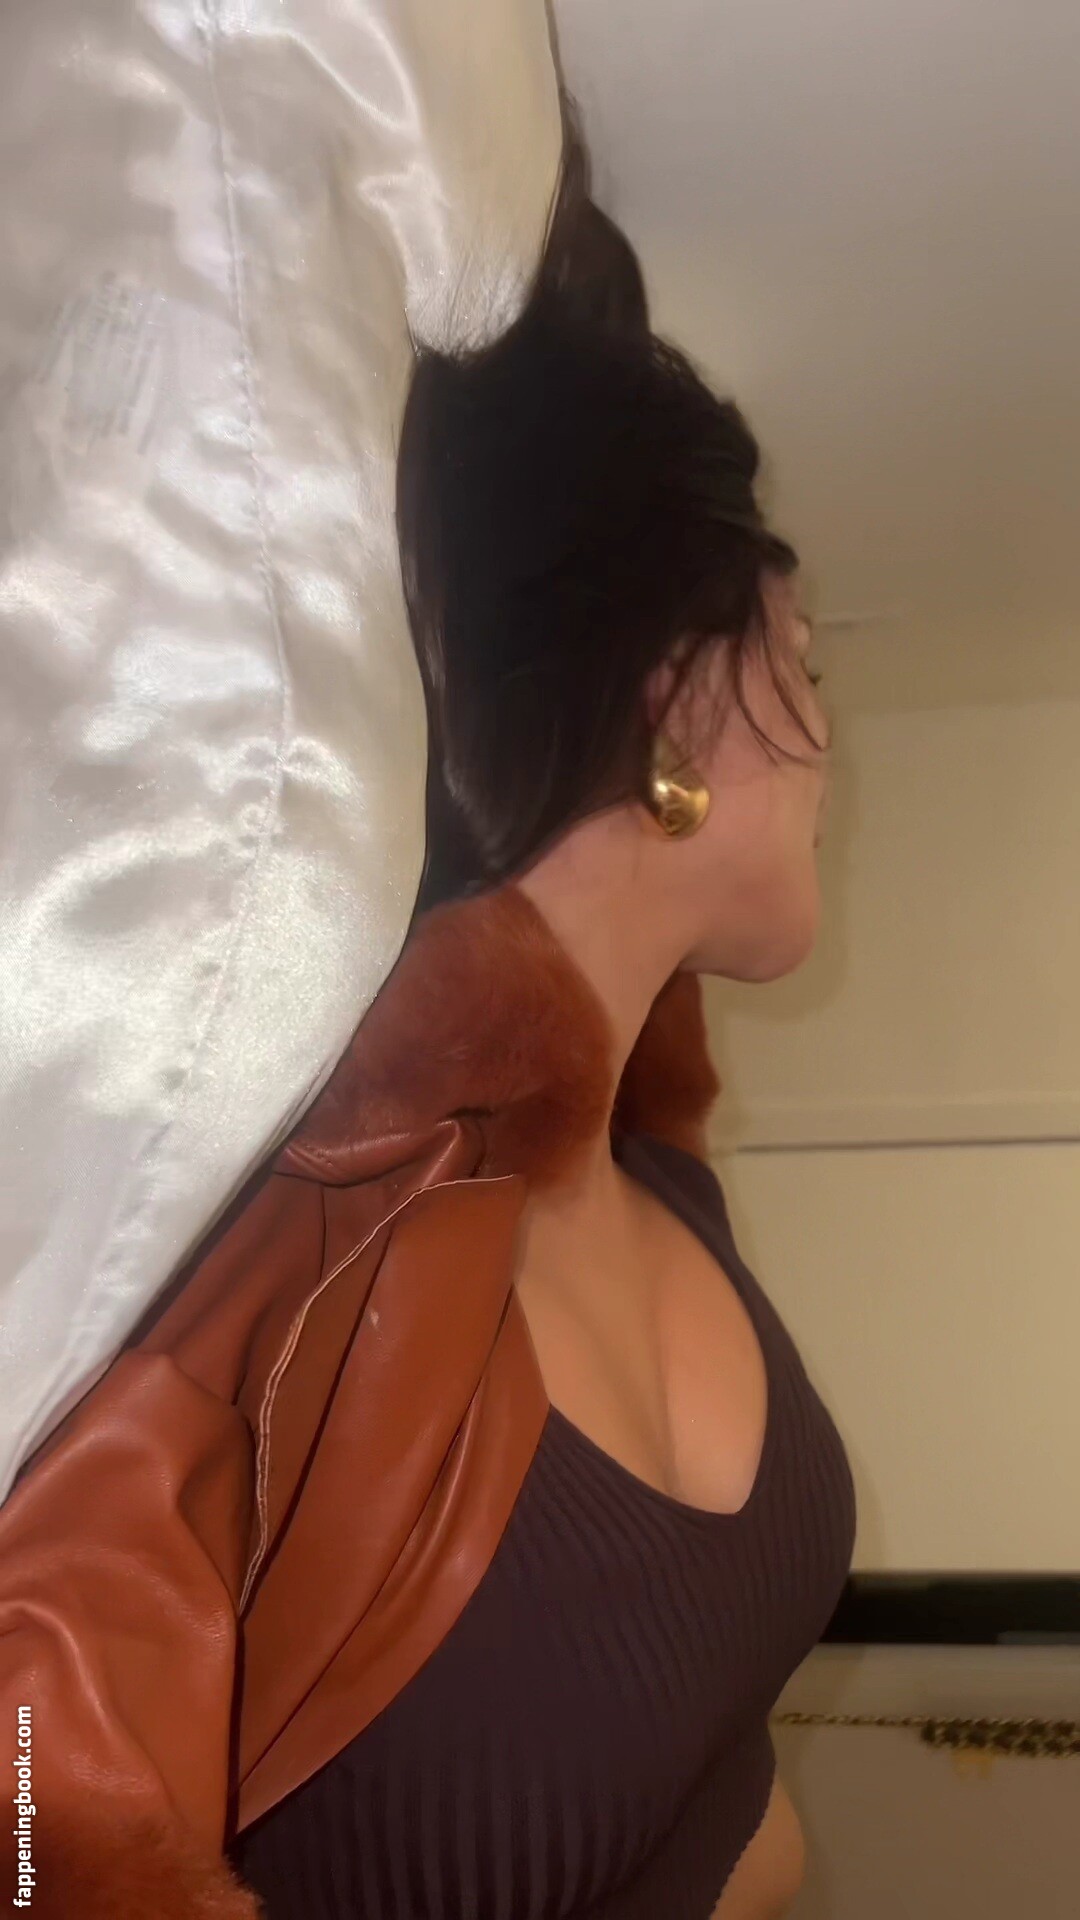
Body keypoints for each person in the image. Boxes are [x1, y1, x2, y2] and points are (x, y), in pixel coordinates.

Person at [0, 118, 854, 1920]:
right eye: (807, 659)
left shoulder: (660, 1181)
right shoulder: (269, 1249)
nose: (833, 736)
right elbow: (34, 1812)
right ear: (676, 700)